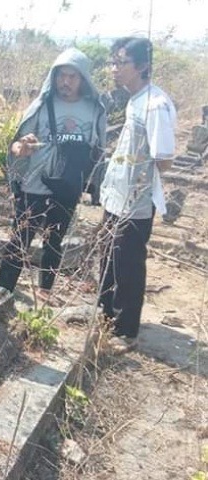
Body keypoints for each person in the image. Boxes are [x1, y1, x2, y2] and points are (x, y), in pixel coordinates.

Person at [0, 48, 106, 304]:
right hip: (35, 184)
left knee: (55, 239)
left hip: (68, 185)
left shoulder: (94, 109)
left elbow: (98, 150)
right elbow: (15, 146)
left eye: (72, 77)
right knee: (20, 238)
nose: (65, 82)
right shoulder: (42, 105)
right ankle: (3, 289)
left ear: (83, 79)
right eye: (61, 76)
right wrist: (22, 147)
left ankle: (45, 290)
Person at [98, 37, 176, 354]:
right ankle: (105, 316)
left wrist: (139, 179)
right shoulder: (135, 99)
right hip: (116, 196)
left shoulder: (155, 105)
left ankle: (126, 331)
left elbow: (165, 158)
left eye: (121, 63)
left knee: (128, 264)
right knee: (108, 258)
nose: (114, 69)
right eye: (112, 62)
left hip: (136, 202)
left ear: (142, 66)